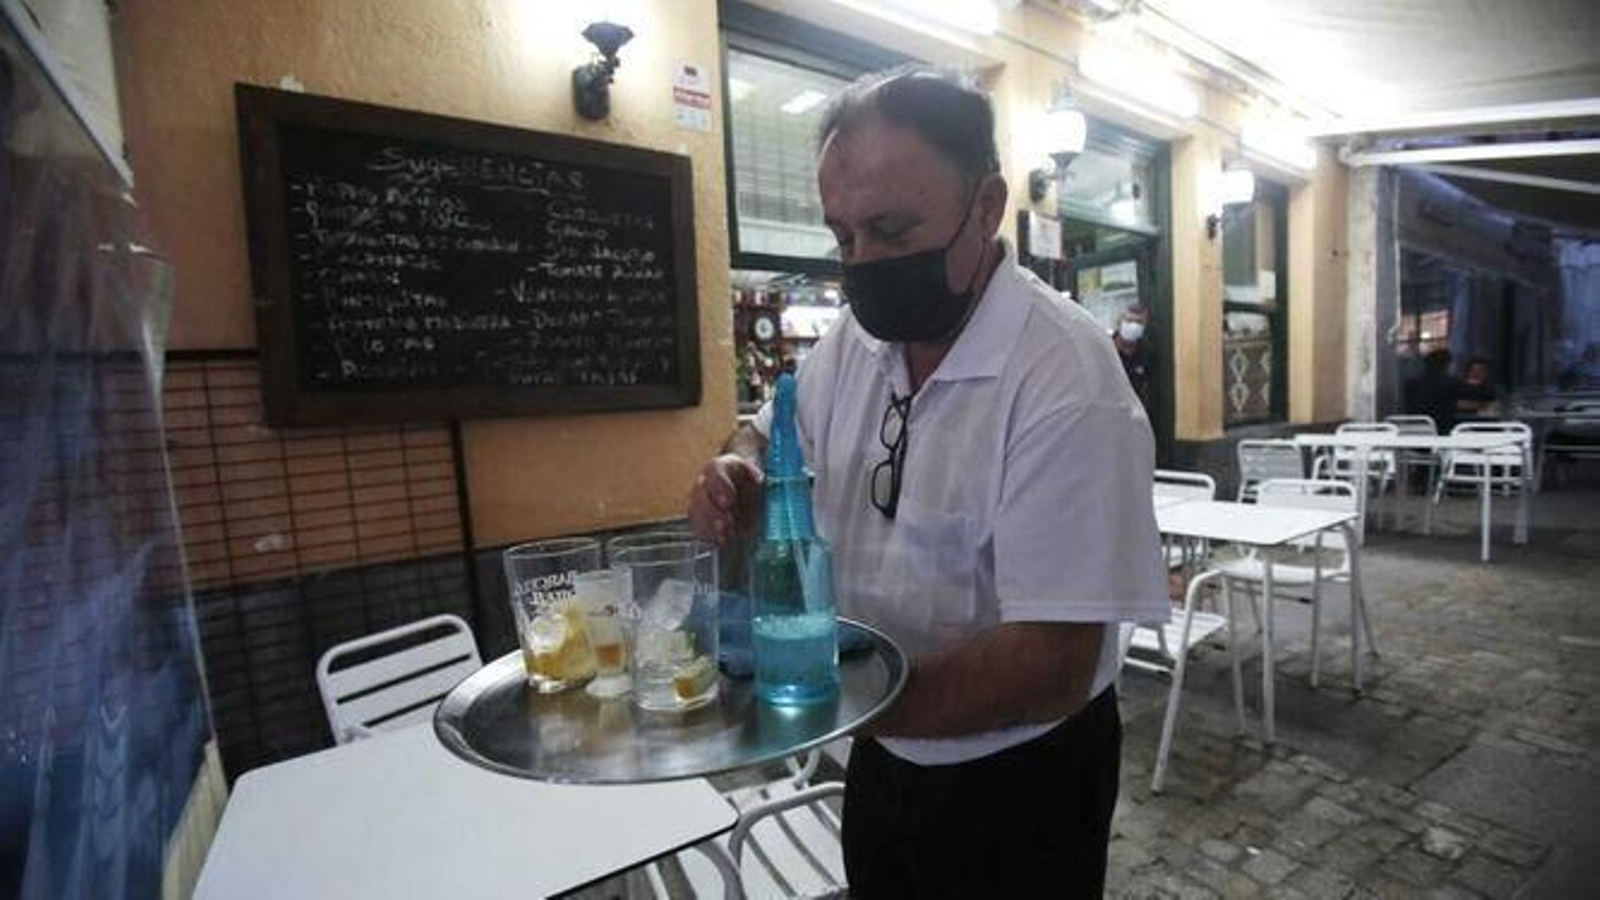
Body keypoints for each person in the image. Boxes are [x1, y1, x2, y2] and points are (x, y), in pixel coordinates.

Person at [687, 66, 1166, 897]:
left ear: (986, 208)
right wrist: (739, 470)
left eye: (891, 230)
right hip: (880, 750)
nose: (862, 264)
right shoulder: (854, 341)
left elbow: (1051, 663)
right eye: (843, 238)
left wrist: (820, 702)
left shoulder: (1065, 380)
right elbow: (764, 433)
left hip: (1020, 780)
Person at [1404, 348, 1461, 433]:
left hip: (1414, 428)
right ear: (1446, 364)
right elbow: (1460, 402)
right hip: (1443, 430)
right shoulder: (1449, 383)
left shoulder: (1412, 383)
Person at [1112, 303, 1154, 409]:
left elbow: (1147, 385)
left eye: (1139, 322)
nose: (1134, 326)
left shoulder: (1147, 351)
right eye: (1129, 321)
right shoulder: (1107, 347)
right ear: (1119, 322)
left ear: (1145, 326)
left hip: (1135, 412)